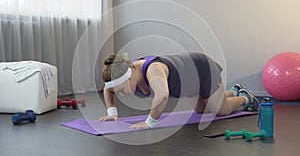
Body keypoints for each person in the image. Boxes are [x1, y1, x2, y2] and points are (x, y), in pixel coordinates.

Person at [99, 52, 259, 129]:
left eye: (121, 89)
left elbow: (162, 96)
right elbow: (108, 89)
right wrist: (112, 113)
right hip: (189, 83)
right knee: (201, 109)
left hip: (202, 69)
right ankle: (231, 92)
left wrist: (149, 122)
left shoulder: (152, 70)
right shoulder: (125, 73)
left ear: (129, 77)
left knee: (221, 111)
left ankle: (244, 98)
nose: (121, 93)